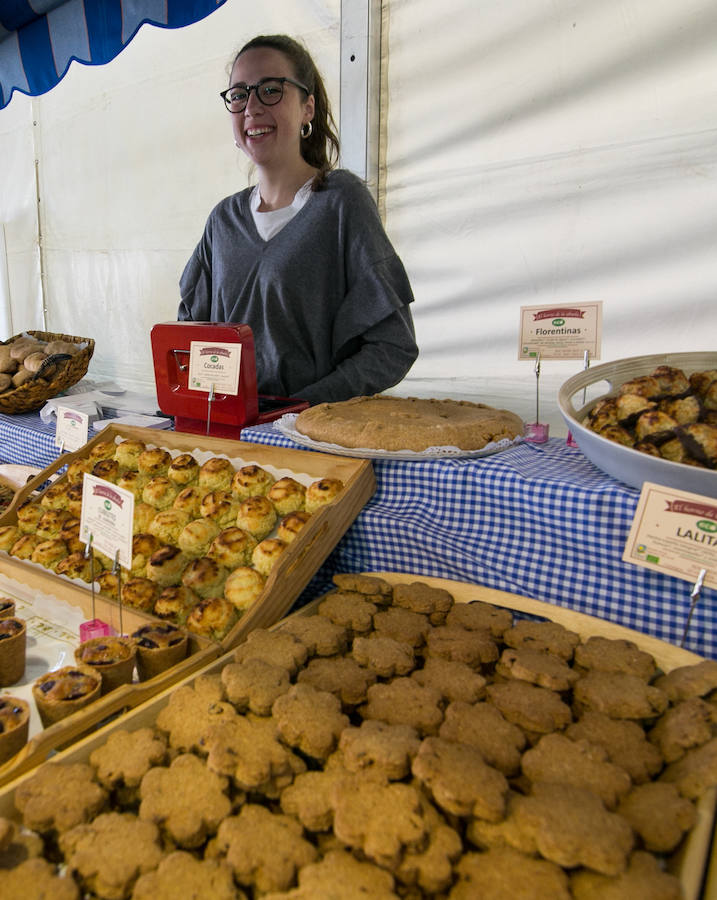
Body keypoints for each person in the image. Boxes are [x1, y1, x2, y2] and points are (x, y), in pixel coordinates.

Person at [178, 34, 418, 405]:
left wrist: (304, 409)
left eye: (270, 90)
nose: (252, 107)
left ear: (307, 107)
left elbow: (393, 345)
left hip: (311, 442)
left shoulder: (341, 204)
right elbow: (190, 337)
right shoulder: (223, 221)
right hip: (228, 442)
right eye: (239, 94)